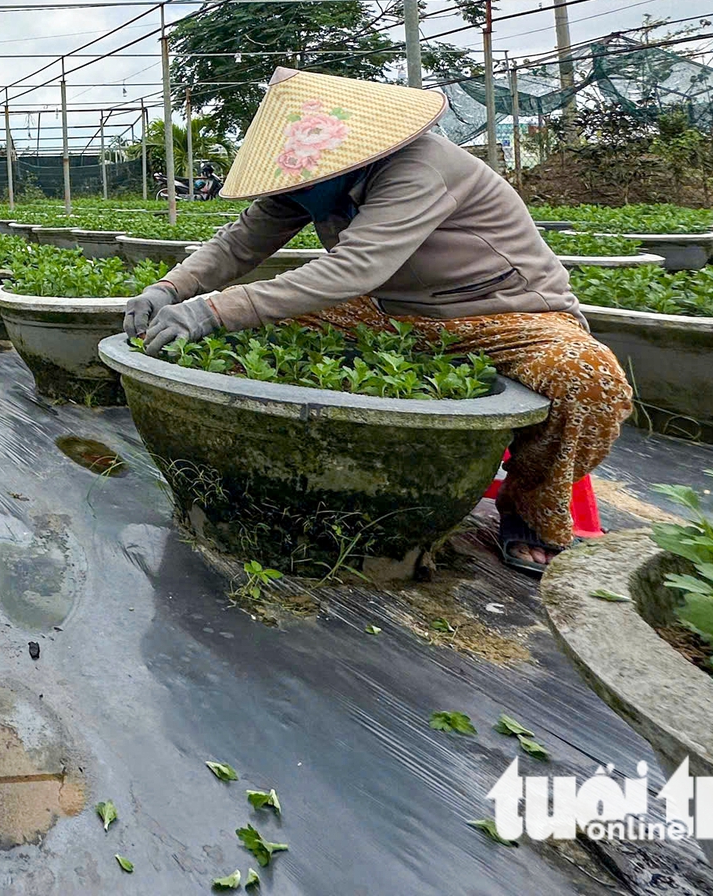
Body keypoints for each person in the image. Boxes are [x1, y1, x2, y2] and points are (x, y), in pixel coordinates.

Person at [124, 67, 631, 578]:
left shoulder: (419, 167)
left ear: (348, 149)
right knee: (255, 337)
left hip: (503, 313)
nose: (295, 186)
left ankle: (531, 511)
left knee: (586, 375)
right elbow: (238, 244)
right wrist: (169, 289)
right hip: (388, 313)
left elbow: (354, 268)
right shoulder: (307, 182)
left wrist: (211, 309)